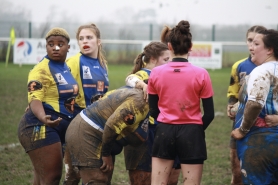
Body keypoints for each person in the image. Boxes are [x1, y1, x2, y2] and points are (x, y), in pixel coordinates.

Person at [148, 20, 215, 185]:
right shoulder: (202, 74)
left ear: (169, 46)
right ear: (190, 46)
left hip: (164, 131)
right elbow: (210, 114)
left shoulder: (155, 73)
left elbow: (153, 110)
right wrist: (195, 128)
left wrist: (167, 123)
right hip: (192, 133)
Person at [17, 27, 78, 185]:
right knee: (52, 177)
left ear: (68, 47)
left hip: (56, 127)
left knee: (43, 178)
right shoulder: (41, 69)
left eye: (60, 44)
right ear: (46, 46)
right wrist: (43, 117)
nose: (55, 47)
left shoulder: (66, 68)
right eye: (51, 44)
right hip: (39, 125)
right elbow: (35, 99)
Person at [65, 86, 150, 185]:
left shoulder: (148, 100)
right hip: (88, 130)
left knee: (104, 180)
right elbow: (111, 126)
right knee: (97, 180)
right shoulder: (141, 102)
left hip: (100, 132)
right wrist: (106, 154)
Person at [124, 41, 180, 185]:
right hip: (145, 132)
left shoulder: (165, 74)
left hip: (164, 129)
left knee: (170, 177)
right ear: (153, 59)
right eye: (166, 60)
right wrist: (143, 85)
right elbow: (130, 78)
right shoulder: (144, 74)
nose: (169, 63)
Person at [63, 23, 109, 185]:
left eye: (89, 37)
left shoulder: (103, 65)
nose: (85, 41)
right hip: (77, 124)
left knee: (97, 175)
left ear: (98, 41)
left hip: (97, 126)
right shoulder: (74, 61)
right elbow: (55, 83)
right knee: (73, 176)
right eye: (81, 39)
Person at [231, 29, 278, 184]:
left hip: (261, 140)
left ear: (270, 49)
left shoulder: (262, 71)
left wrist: (242, 130)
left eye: (256, 44)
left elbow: (255, 103)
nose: (251, 47)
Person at [226, 25, 266, 185]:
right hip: (240, 124)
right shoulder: (239, 66)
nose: (252, 46)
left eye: (256, 42)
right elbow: (233, 92)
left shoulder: (271, 67)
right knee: (237, 173)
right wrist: (231, 106)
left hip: (264, 127)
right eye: (250, 41)